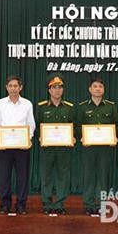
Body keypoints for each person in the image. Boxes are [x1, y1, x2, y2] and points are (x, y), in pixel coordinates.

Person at [0, 76, 35, 215]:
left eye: (15, 86)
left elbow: (31, 123)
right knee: (4, 176)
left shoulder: (27, 104)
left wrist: (28, 139)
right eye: (10, 86)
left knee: (22, 177)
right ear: (6, 87)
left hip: (22, 147)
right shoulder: (0, 103)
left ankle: (21, 204)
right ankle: (5, 204)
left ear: (20, 87)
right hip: (4, 146)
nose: (13, 88)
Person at [77, 78, 118, 216]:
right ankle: (88, 204)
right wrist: (82, 137)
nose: (98, 89)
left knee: (103, 175)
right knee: (88, 175)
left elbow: (115, 124)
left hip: (105, 147)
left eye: (100, 86)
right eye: (95, 86)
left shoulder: (110, 106)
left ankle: (101, 204)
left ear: (104, 89)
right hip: (88, 147)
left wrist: (114, 137)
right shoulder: (82, 106)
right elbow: (78, 125)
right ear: (90, 89)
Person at [37, 75, 75, 215]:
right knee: (46, 176)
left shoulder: (69, 108)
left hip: (63, 148)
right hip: (47, 148)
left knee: (62, 176)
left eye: (60, 87)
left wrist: (73, 138)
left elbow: (74, 127)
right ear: (49, 90)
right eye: (54, 87)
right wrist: (40, 137)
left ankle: (59, 204)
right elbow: (36, 126)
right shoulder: (41, 107)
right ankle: (47, 204)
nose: (57, 90)